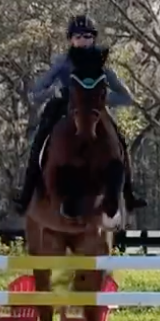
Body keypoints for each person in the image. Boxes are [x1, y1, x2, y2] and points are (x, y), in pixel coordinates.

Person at [13, 14, 148, 214]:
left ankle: (128, 195)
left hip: (94, 109)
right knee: (38, 142)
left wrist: (99, 98)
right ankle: (26, 196)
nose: (83, 40)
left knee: (120, 142)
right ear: (71, 40)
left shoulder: (102, 66)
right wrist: (54, 92)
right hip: (62, 106)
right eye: (78, 37)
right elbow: (35, 93)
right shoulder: (62, 63)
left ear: (93, 39)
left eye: (87, 36)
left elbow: (127, 98)